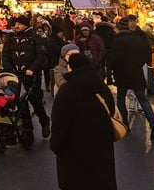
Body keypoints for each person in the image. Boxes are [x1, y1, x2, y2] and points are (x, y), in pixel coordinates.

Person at [50, 54, 117, 190]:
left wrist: (56, 146)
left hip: (74, 154)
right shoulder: (102, 88)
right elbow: (110, 112)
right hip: (101, 152)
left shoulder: (66, 92)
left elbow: (59, 123)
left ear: (72, 68)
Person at [2, 15, 51, 138]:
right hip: (16, 76)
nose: (16, 26)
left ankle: (44, 121)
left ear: (25, 25)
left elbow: (41, 56)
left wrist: (32, 69)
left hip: (31, 76)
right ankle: (28, 128)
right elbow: (6, 55)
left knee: (35, 101)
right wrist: (8, 70)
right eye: (15, 24)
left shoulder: (35, 38)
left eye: (19, 24)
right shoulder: (11, 38)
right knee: (20, 102)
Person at [111, 20, 154, 140]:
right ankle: (153, 124)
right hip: (136, 73)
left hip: (122, 74)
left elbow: (113, 60)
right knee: (143, 100)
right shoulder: (137, 40)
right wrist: (137, 65)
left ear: (118, 29)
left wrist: (113, 72)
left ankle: (125, 125)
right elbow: (146, 55)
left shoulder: (116, 41)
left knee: (121, 100)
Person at [93, 14, 117, 85]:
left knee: (101, 64)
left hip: (100, 50)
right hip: (109, 49)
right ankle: (109, 79)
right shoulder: (110, 30)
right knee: (109, 65)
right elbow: (114, 39)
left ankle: (101, 78)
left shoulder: (96, 30)